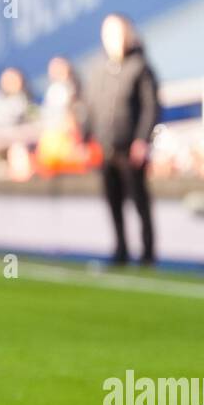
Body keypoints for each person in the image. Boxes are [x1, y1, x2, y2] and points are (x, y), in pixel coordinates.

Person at [86, 13, 160, 266]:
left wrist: (142, 139)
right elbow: (91, 105)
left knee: (139, 201)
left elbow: (151, 106)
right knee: (113, 202)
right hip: (106, 147)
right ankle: (121, 250)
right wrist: (88, 137)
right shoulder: (98, 68)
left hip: (131, 147)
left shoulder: (140, 67)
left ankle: (148, 252)